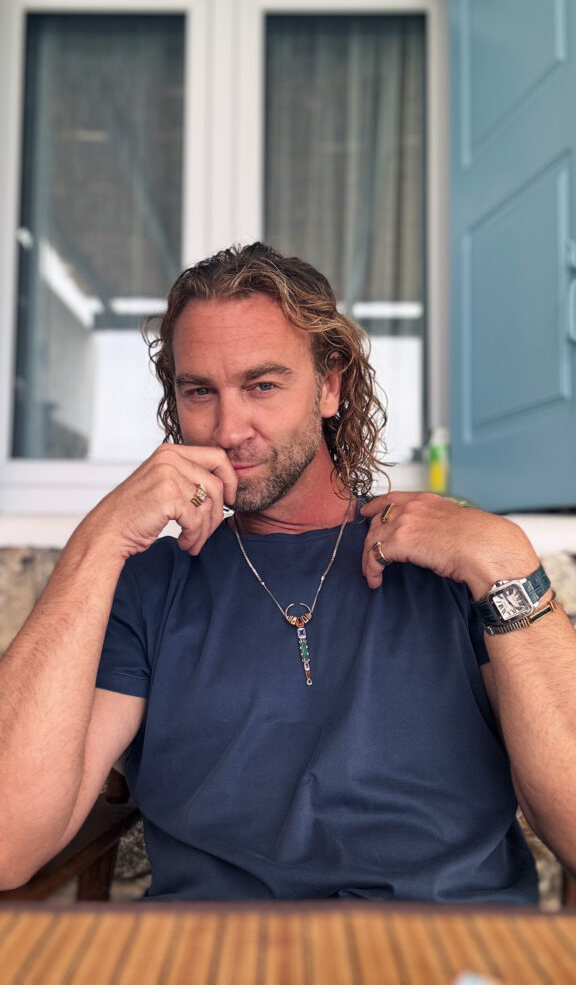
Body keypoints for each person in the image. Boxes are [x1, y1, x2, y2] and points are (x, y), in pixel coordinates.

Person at [1, 242, 576, 903]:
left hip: (448, 946)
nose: (228, 429)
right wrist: (97, 540)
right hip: (215, 950)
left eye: (262, 386)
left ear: (330, 385)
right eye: (199, 391)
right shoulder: (148, 586)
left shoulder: (459, 567)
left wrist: (506, 558)